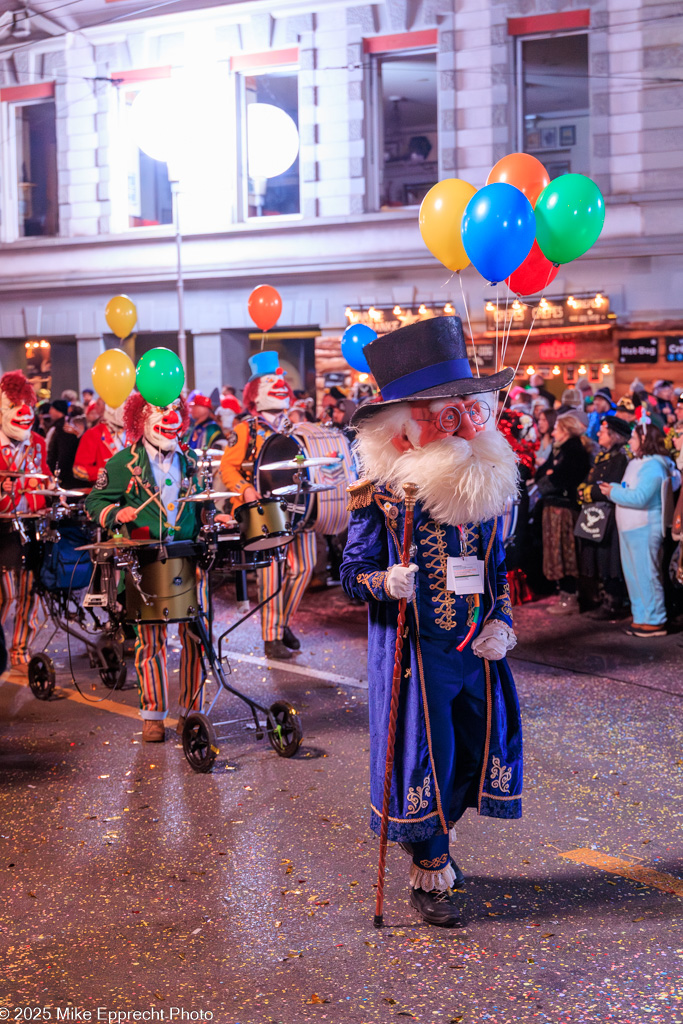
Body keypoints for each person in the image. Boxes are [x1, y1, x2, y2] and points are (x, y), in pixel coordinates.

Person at [341, 316, 522, 928]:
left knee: (473, 754)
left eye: (464, 405)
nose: (461, 421)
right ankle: (431, 865)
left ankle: (437, 837)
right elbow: (352, 572)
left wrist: (502, 621)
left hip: (475, 651)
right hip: (416, 655)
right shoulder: (381, 493)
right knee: (430, 758)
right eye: (442, 409)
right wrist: (384, 582)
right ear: (406, 422)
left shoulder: (490, 484)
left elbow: (492, 567)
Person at [85, 392, 233, 741]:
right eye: (159, 410)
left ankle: (192, 710)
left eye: (174, 410)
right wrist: (114, 513)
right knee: (151, 641)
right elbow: (95, 500)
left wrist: (215, 517)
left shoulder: (192, 458)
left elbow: (201, 505)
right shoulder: (123, 463)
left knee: (197, 637)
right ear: (140, 418)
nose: (169, 416)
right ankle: (152, 715)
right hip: (146, 563)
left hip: (189, 560)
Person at [219, 351, 317, 660]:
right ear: (254, 393)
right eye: (269, 381)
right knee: (272, 573)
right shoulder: (245, 430)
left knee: (305, 567)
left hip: (301, 507)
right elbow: (227, 468)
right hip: (264, 510)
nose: (278, 385)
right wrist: (245, 489)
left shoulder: (298, 428)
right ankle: (271, 638)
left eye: (280, 381)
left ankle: (281, 622)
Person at [599, 415, 677, 637]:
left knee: (646, 575)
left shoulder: (653, 465)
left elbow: (641, 497)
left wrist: (613, 492)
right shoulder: (636, 463)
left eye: (634, 437)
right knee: (634, 576)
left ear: (644, 439)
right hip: (630, 527)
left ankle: (655, 619)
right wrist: (615, 487)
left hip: (644, 527)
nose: (630, 441)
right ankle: (642, 617)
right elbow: (630, 488)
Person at [0, 372, 52, 671]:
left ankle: (21, 651)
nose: (23, 411)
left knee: (29, 592)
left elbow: (42, 482)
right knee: (7, 595)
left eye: (26, 404)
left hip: (30, 526)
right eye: (15, 404)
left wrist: (44, 493)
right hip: (2, 530)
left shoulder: (38, 444)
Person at [535, 411, 592, 613]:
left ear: (566, 430)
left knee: (565, 551)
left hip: (565, 509)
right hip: (553, 505)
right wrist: (548, 475)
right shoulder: (559, 449)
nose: (553, 431)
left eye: (557, 428)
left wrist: (550, 476)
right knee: (555, 551)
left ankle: (571, 598)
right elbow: (542, 473)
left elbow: (562, 479)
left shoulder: (573, 449)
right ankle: (564, 595)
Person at [577, 415, 631, 619]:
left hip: (610, 515)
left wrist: (589, 492)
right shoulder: (604, 456)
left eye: (603, 431)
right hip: (597, 514)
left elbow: (612, 485)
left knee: (610, 558)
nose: (598, 433)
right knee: (598, 556)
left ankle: (614, 602)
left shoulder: (620, 458)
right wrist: (583, 491)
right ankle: (604, 597)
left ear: (614, 435)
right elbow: (590, 481)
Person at [73, 403, 127, 490]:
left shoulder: (135, 434)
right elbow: (78, 470)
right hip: (106, 493)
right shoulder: (93, 434)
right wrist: (107, 473)